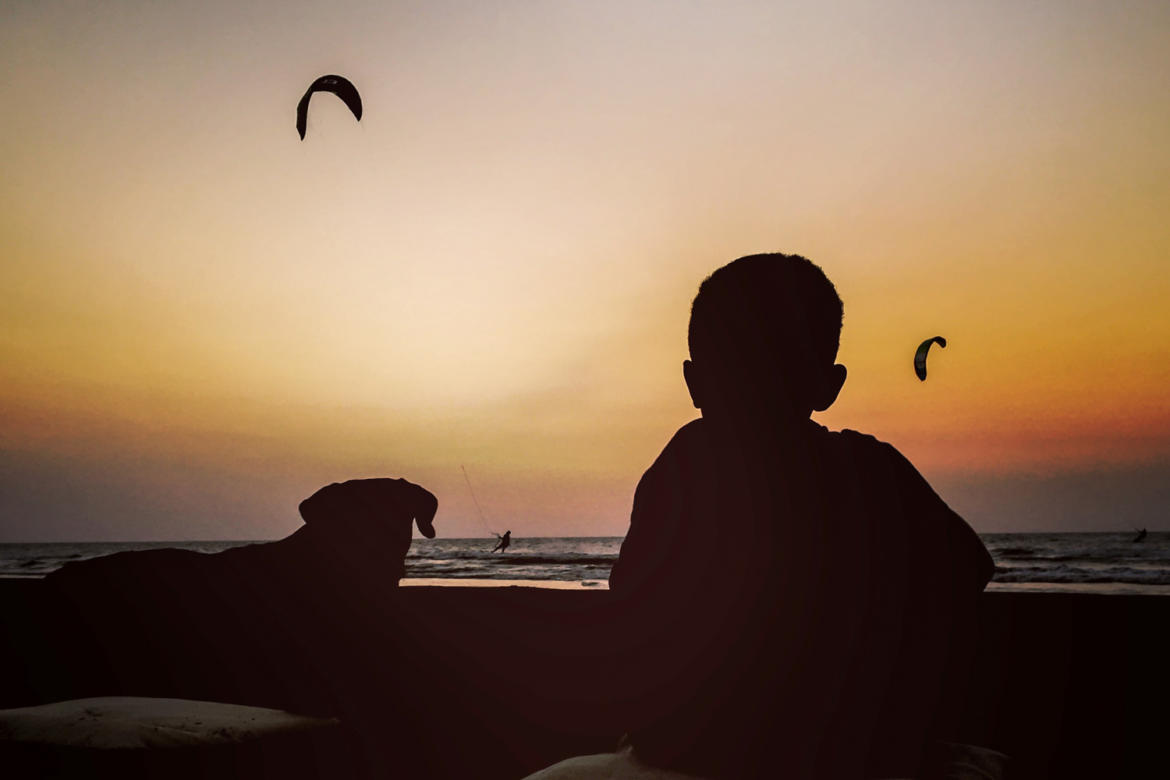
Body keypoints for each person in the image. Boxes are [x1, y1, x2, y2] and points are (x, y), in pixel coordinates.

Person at [609, 254, 994, 779]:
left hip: (691, 747)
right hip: (850, 747)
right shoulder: (871, 467)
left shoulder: (681, 466)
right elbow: (968, 569)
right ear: (829, 385)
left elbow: (629, 597)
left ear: (694, 383)